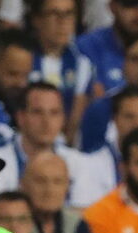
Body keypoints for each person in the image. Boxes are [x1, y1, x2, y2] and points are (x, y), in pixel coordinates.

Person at [0, 82, 115, 208]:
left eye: (54, 113)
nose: (46, 121)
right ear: (21, 117)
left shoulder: (81, 164)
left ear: (63, 119)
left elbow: (85, 212)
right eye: (37, 112)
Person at [25, 0, 94, 143]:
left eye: (68, 14)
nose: (62, 22)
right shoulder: (23, 59)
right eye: (54, 13)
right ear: (36, 19)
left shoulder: (82, 64)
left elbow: (75, 121)